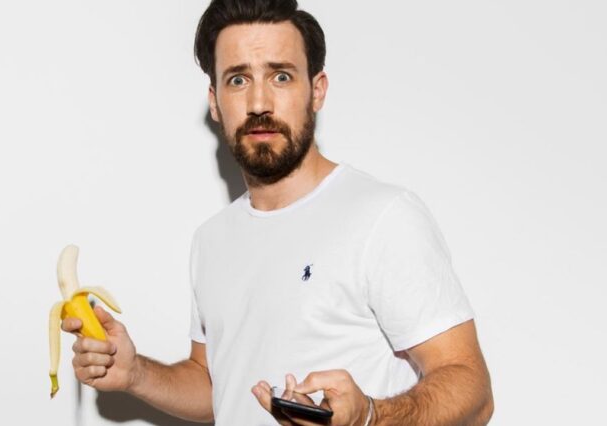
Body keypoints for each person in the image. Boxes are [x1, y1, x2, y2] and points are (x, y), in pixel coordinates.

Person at [61, 1, 494, 424]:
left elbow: (473, 392)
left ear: (317, 90)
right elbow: (218, 386)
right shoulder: (211, 240)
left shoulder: (383, 217)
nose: (258, 102)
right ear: (215, 101)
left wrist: (370, 416)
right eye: (238, 80)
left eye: (281, 76)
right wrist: (136, 374)